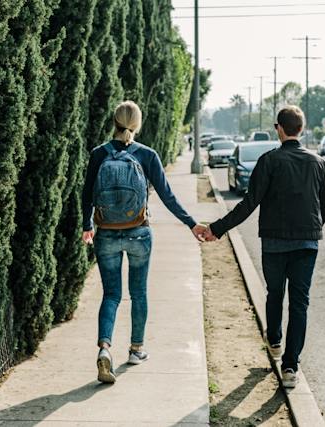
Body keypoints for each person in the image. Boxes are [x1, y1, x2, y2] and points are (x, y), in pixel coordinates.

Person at [203, 106, 325, 388]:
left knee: (275, 293)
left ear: (279, 128)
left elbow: (250, 203)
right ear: (302, 128)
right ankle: (290, 368)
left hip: (274, 243)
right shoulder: (318, 163)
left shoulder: (269, 161)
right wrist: (311, 228)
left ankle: (274, 340)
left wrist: (216, 229)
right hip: (307, 243)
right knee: (300, 303)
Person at [81, 100, 207, 384]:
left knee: (111, 295)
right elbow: (167, 195)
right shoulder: (147, 155)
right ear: (137, 125)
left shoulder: (99, 154)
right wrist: (191, 223)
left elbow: (87, 194)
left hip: (107, 233)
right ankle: (137, 349)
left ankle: (104, 348)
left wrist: (87, 225)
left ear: (114, 122)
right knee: (138, 293)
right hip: (139, 232)